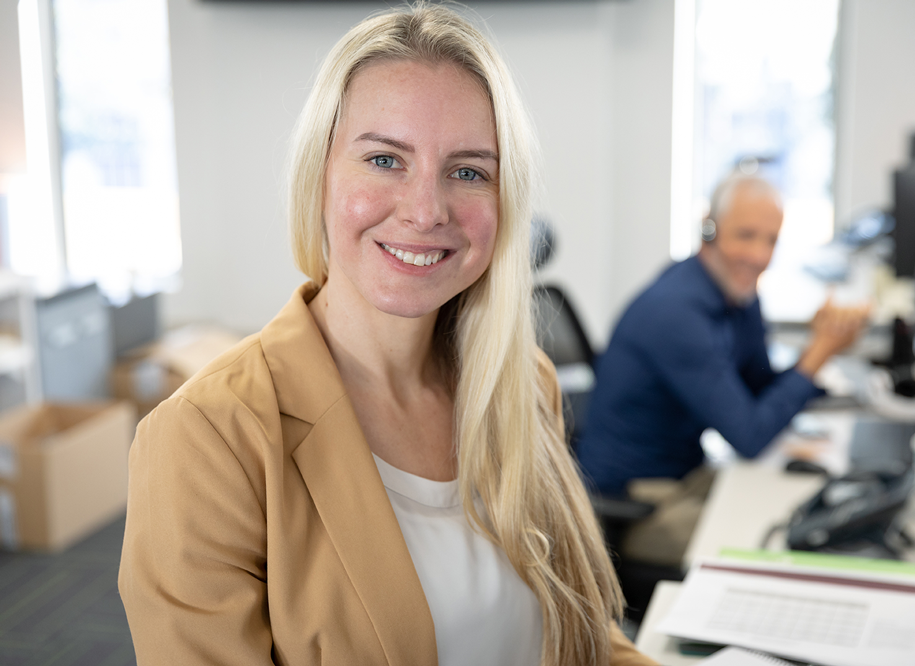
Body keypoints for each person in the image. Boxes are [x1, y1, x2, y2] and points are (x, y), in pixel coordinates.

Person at [118, 6, 655, 666]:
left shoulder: (520, 386)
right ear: (319, 176)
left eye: (468, 171)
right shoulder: (207, 439)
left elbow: (580, 633)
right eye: (383, 159)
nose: (426, 211)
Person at [574, 174, 869, 566]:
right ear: (708, 231)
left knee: (805, 507)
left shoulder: (737, 293)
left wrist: (816, 350)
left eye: (771, 240)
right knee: (779, 550)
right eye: (745, 235)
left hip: (687, 476)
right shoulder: (676, 314)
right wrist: (818, 355)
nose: (759, 256)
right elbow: (748, 435)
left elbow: (758, 388)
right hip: (638, 503)